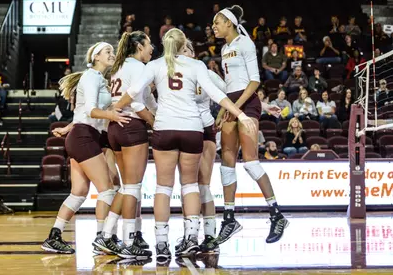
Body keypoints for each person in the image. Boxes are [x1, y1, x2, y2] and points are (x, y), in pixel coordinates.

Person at [113, 28, 255, 261]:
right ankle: (191, 238)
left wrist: (114, 108)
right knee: (190, 185)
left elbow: (133, 92)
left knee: (163, 188)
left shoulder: (155, 65)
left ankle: (161, 243)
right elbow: (218, 95)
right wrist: (240, 114)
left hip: (164, 128)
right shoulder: (197, 66)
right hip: (192, 128)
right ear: (183, 46)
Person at [209, 5, 289, 249]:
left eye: (217, 23)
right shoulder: (224, 49)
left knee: (251, 161)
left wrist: (238, 109)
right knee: (227, 162)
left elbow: (254, 81)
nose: (214, 27)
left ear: (230, 23)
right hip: (232, 103)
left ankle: (277, 215)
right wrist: (224, 111)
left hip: (246, 103)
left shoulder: (245, 43)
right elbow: (230, 85)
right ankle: (229, 219)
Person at [41, 42, 131, 254]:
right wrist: (112, 115)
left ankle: (54, 236)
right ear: (96, 56)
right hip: (84, 137)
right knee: (107, 190)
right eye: (107, 51)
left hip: (81, 135)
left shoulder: (98, 78)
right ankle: (102, 239)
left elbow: (82, 111)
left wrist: (67, 127)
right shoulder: (91, 77)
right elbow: (91, 110)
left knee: (79, 193)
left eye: (112, 51)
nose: (112, 54)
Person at [93, 31, 156, 259]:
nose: (152, 49)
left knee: (128, 187)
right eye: (149, 45)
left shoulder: (119, 67)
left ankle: (112, 234)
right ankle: (128, 239)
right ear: (139, 46)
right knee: (133, 187)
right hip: (130, 125)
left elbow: (148, 98)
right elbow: (139, 105)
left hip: (115, 128)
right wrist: (155, 122)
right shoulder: (139, 68)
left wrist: (155, 113)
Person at [178, 40, 226, 254]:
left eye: (187, 49)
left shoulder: (206, 73)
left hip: (205, 128)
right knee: (188, 186)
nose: (183, 53)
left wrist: (224, 115)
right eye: (180, 50)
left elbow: (229, 94)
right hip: (183, 129)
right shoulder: (171, 75)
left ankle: (209, 235)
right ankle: (189, 235)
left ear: (193, 53)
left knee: (203, 184)